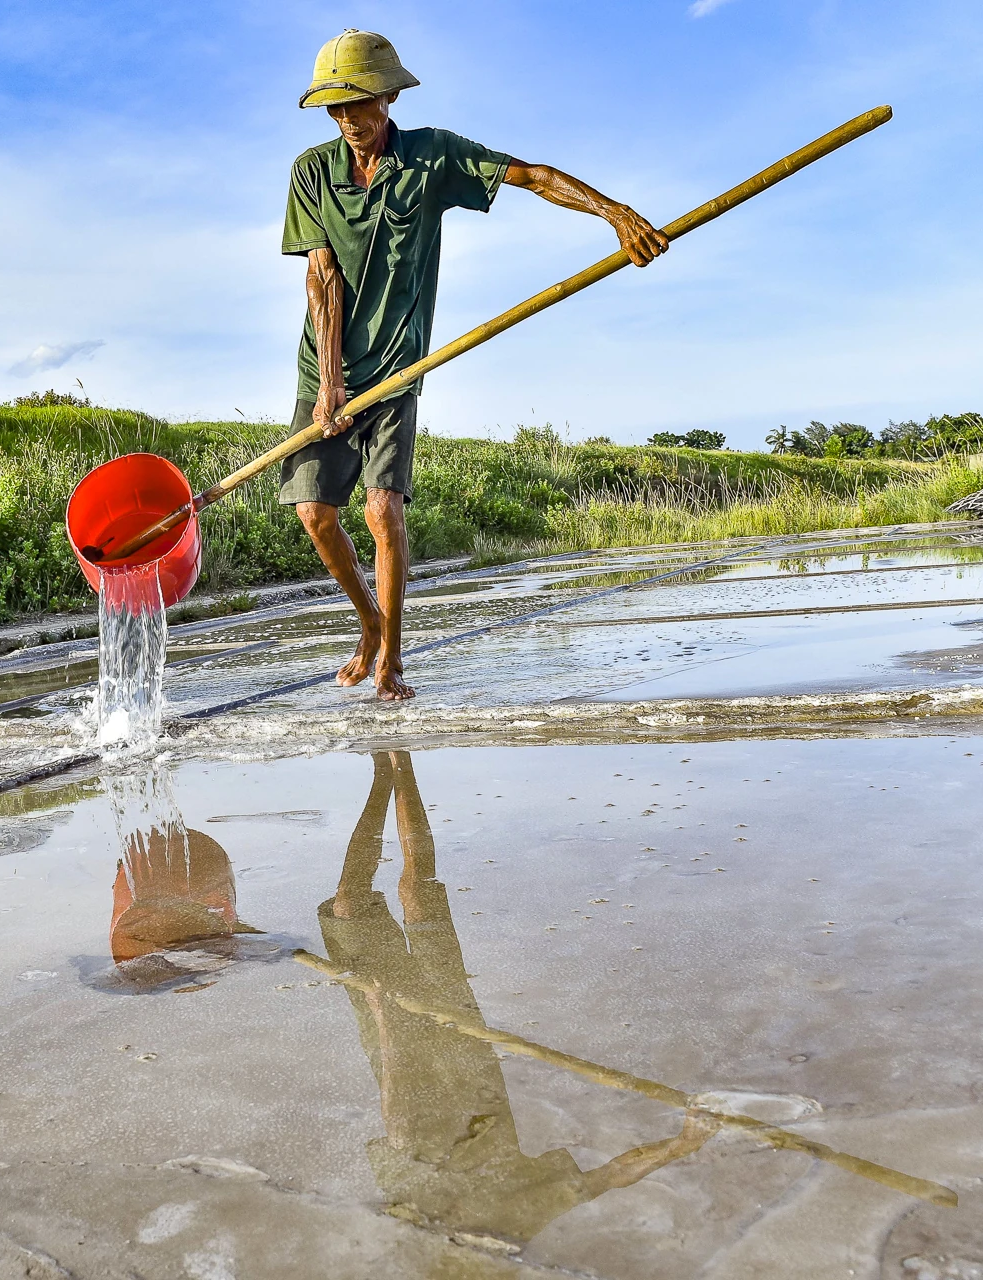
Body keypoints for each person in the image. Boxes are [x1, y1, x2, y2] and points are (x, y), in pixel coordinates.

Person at [282, 30, 670, 700]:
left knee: (382, 510)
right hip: (326, 372)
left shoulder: (432, 155)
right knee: (314, 512)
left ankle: (391, 658)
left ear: (390, 96)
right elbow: (323, 277)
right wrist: (331, 385)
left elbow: (532, 176)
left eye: (359, 102)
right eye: (335, 107)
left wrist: (615, 214)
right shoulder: (312, 171)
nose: (347, 118)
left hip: (397, 368)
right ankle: (368, 622)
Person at [321, 751, 716, 1247]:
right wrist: (682, 1144)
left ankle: (386, 776)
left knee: (352, 902)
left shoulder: (415, 1218)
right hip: (463, 1041)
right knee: (415, 893)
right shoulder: (517, 1222)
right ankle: (398, 766)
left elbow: (395, 1115)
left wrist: (381, 1015)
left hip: (398, 1044)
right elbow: (607, 1178)